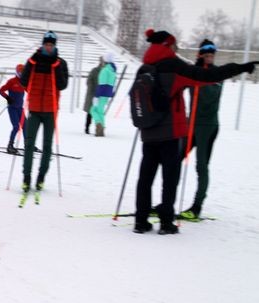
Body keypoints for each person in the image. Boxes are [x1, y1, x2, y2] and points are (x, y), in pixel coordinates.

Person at [133, 29, 256, 235]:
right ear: (168, 45)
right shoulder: (174, 66)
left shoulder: (144, 67)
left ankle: (140, 220)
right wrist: (240, 67)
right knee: (170, 177)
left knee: (146, 176)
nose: (176, 49)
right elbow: (208, 76)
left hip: (148, 131)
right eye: (175, 46)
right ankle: (166, 223)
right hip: (171, 133)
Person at [19, 30, 68, 193]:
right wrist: (31, 63)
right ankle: (26, 177)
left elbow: (62, 85)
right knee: (29, 143)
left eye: (51, 45)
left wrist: (56, 67)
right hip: (34, 108)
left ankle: (41, 178)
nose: (48, 47)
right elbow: (24, 80)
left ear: (55, 46)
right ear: (42, 44)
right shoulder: (33, 61)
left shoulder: (60, 63)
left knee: (47, 145)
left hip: (51, 110)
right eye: (46, 44)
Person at [180, 40, 222, 221]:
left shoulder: (217, 74)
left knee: (201, 166)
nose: (209, 57)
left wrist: (198, 80)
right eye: (206, 54)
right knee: (173, 159)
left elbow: (209, 98)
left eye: (212, 54)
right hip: (192, 125)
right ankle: (166, 201)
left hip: (207, 126)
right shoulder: (195, 72)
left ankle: (196, 207)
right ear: (200, 54)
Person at [0, 63, 27, 153]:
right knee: (16, 127)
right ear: (17, 72)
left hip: (20, 108)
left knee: (25, 126)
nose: (22, 74)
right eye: (20, 72)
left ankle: (28, 145)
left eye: (23, 72)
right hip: (12, 108)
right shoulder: (11, 81)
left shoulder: (24, 82)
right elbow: (1, 90)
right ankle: (10, 146)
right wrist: (8, 98)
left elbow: (29, 90)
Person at [90, 52, 116, 137]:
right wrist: (111, 94)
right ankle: (101, 130)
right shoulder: (112, 71)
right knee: (100, 112)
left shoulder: (105, 70)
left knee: (93, 110)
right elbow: (113, 85)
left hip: (101, 94)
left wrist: (97, 96)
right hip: (107, 94)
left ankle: (99, 125)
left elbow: (102, 85)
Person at [83, 57, 103, 135]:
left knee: (98, 113)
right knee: (90, 112)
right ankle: (87, 127)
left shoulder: (105, 71)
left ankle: (98, 129)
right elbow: (89, 81)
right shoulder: (95, 70)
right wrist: (92, 90)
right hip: (93, 94)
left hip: (100, 95)